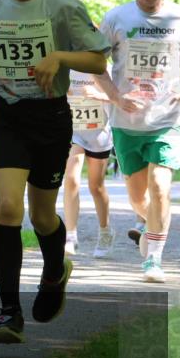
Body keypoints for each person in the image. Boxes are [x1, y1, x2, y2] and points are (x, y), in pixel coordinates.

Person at [0, 0, 109, 344]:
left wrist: (59, 57)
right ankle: (9, 312)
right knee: (8, 208)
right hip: (10, 115)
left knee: (42, 216)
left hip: (50, 119)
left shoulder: (63, 7)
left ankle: (54, 270)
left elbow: (99, 60)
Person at [92, 0, 180, 282]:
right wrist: (116, 97)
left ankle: (154, 260)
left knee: (161, 189)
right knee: (138, 198)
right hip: (127, 121)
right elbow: (95, 62)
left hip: (168, 118)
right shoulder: (117, 18)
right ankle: (152, 225)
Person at [62, 71, 114, 257]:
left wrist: (97, 95)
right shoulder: (65, 66)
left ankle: (105, 231)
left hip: (98, 132)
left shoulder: (100, 66)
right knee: (71, 179)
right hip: (74, 131)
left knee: (96, 187)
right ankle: (71, 236)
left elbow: (117, 96)